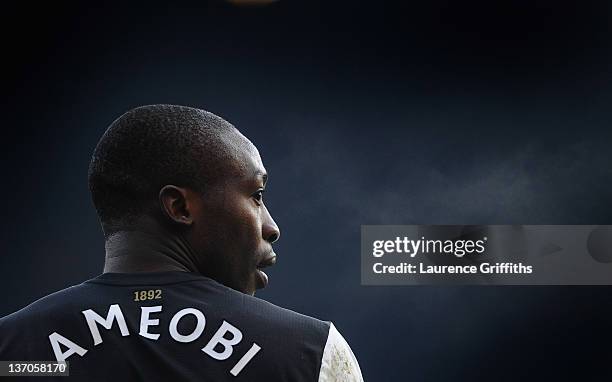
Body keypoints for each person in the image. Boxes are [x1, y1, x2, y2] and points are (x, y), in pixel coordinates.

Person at [0, 105, 363, 381]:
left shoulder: (12, 348)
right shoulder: (307, 352)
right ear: (179, 206)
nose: (271, 226)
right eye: (256, 195)